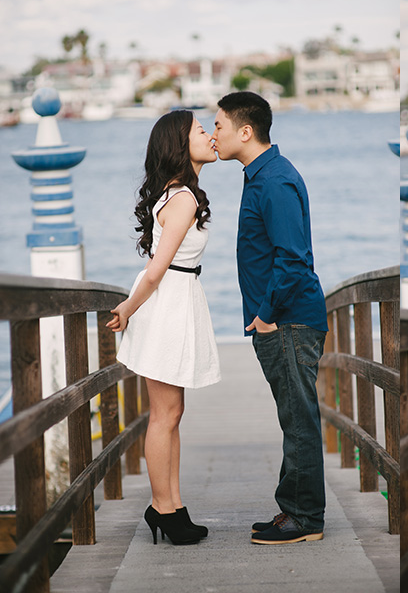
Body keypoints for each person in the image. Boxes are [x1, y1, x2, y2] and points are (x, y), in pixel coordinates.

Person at [212, 91, 328, 545]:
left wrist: (264, 316)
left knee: (299, 418)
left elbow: (292, 259)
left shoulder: (274, 181)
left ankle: (305, 519)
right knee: (292, 417)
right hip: (283, 319)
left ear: (245, 131)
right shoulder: (261, 175)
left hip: (288, 320)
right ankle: (292, 508)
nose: (214, 134)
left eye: (218, 126)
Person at [108, 110, 221, 545]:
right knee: (165, 415)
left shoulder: (179, 193)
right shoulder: (184, 198)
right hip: (165, 301)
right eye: (200, 130)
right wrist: (129, 308)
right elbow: (156, 270)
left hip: (174, 298)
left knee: (171, 413)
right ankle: (162, 508)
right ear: (179, 143)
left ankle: (172, 506)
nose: (210, 135)